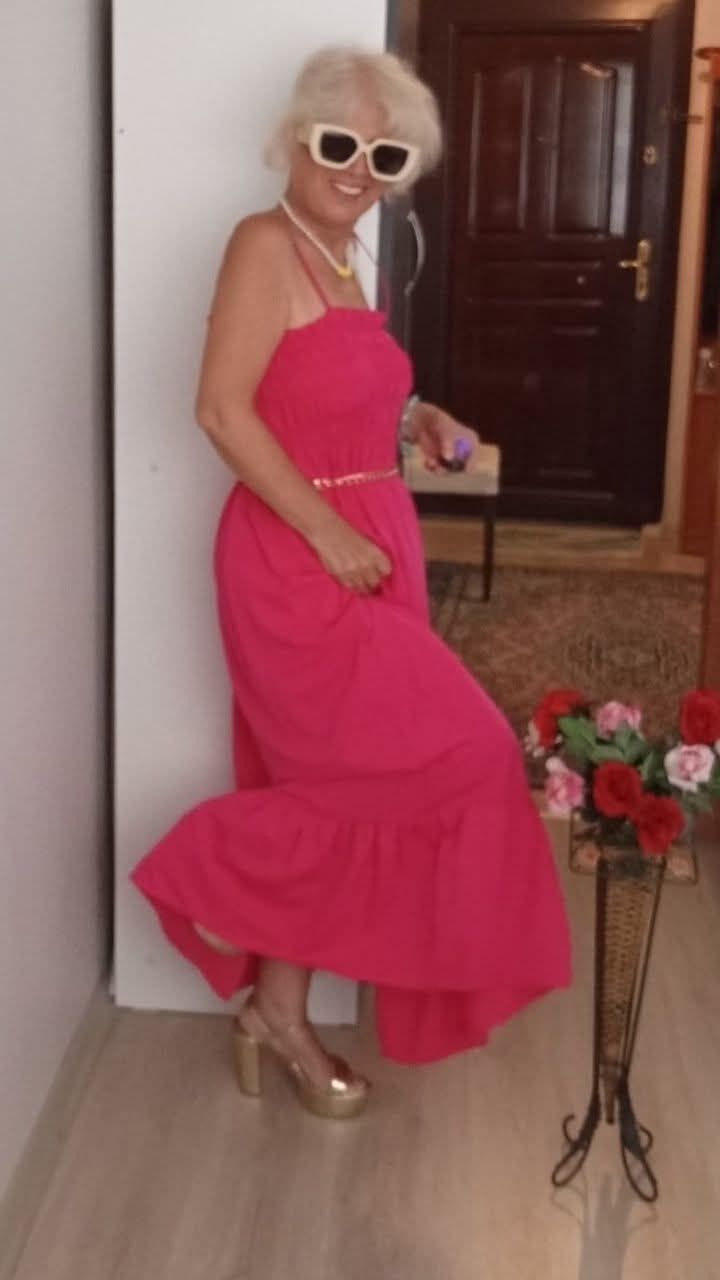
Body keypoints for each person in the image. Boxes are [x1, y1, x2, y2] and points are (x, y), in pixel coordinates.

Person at [131, 45, 572, 1120]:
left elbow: (320, 386)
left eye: (386, 155)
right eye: (340, 144)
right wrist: (328, 531)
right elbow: (222, 409)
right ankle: (203, 877)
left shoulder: (346, 256)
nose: (358, 170)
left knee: (340, 788)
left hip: (373, 543)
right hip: (297, 558)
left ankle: (274, 1013)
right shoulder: (262, 243)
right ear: (295, 139)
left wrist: (415, 419)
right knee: (466, 755)